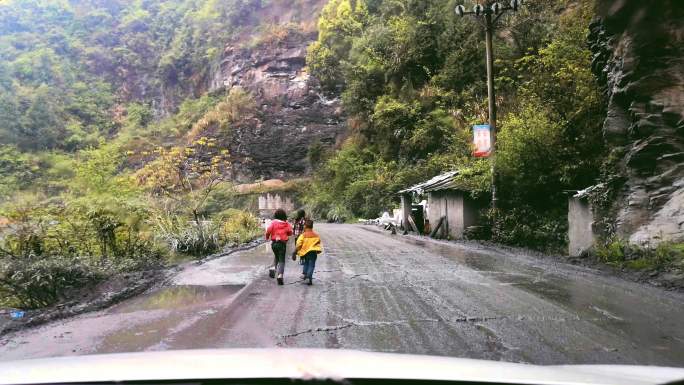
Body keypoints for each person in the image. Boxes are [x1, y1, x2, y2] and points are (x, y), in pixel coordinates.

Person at [265, 208, 293, 285]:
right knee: (281, 260)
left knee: (276, 256)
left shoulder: (273, 222)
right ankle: (280, 275)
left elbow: (268, 230)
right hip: (282, 244)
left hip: (274, 244)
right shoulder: (286, 223)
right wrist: (286, 233)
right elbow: (290, 232)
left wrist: (267, 237)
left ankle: (273, 267)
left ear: (275, 215)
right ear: (284, 216)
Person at [295, 219, 322, 286]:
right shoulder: (316, 235)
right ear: (312, 227)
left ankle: (305, 275)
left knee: (306, 263)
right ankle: (308, 278)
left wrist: (295, 251)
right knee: (311, 265)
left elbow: (298, 244)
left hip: (305, 253)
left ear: (305, 226)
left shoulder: (303, 235)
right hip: (313, 253)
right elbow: (318, 242)